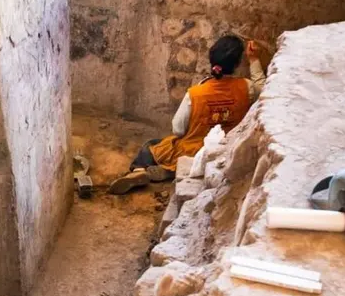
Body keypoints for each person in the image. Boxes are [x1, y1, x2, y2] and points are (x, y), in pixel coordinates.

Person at [109, 35, 267, 194]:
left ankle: (140, 171)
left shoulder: (195, 93)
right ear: (238, 64)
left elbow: (178, 129)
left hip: (194, 150)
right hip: (227, 149)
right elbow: (264, 89)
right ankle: (171, 170)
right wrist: (254, 59)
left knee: (151, 146)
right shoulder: (247, 88)